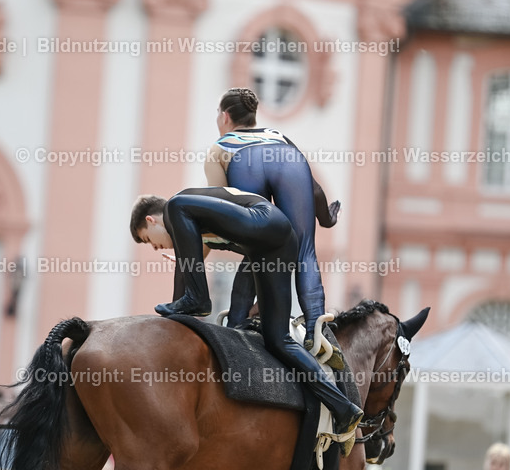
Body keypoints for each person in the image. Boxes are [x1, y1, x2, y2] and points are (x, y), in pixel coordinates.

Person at [129, 187, 363, 437]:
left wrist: (189, 302)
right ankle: (343, 407)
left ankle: (198, 299)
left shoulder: (179, 206)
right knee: (278, 340)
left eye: (147, 240)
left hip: (267, 223)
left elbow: (186, 261)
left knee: (177, 205)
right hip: (276, 246)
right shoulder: (194, 224)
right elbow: (184, 275)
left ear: (150, 220)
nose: (154, 247)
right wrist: (175, 316)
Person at [204, 88, 339, 350]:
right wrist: (326, 218)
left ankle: (236, 324)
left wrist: (196, 246)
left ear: (224, 116)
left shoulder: (219, 149)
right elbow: (314, 189)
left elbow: (215, 213)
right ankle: (315, 327)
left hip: (243, 161)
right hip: (287, 160)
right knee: (304, 250)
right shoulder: (279, 137)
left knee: (256, 249)